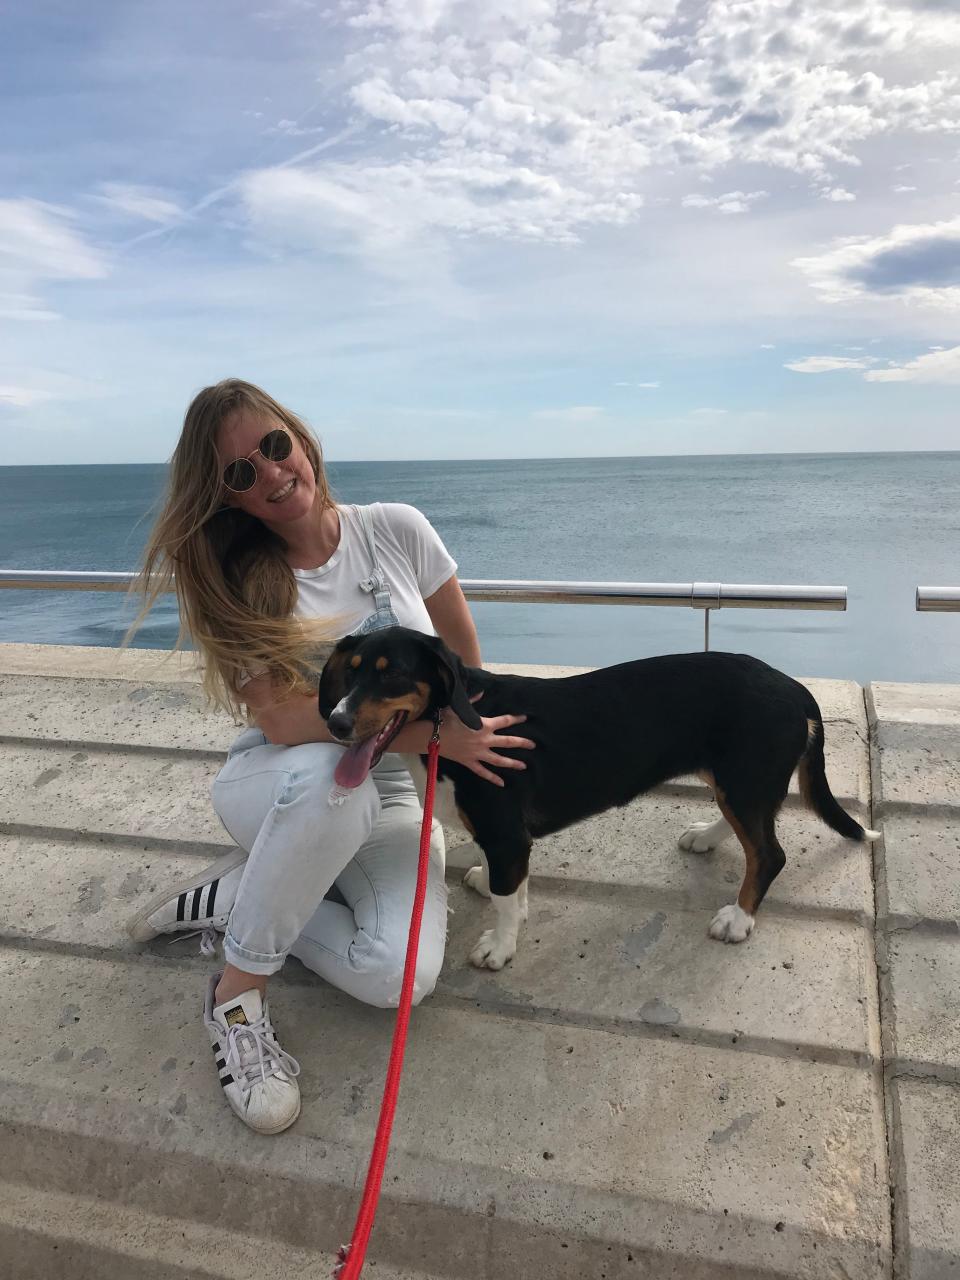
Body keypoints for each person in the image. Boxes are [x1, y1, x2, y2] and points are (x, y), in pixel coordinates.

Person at [126, 378, 534, 1135]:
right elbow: (283, 720)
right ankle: (237, 999)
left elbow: (463, 667)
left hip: (395, 789)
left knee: (397, 977)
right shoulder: (241, 581)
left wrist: (452, 754)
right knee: (325, 778)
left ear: (302, 440)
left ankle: (233, 901)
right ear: (230, 497)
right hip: (284, 775)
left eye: (274, 447)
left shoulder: (397, 529)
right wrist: (426, 738)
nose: (273, 473)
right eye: (242, 472)